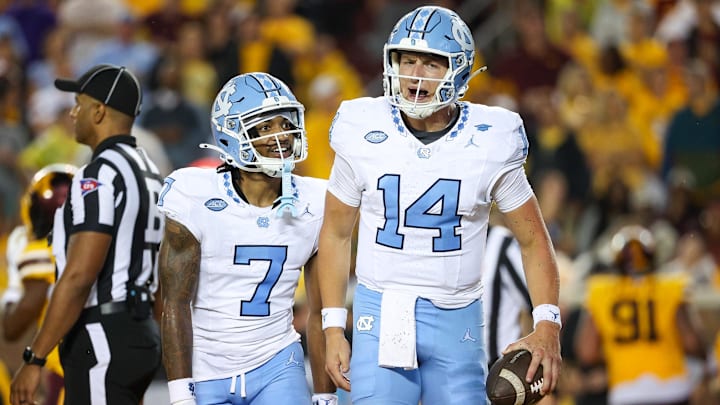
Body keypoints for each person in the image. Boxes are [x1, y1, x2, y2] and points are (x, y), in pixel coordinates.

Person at [315, 5, 562, 404]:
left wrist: (548, 323)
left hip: (457, 321)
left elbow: (534, 240)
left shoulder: (491, 138)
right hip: (379, 311)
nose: (415, 75)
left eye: (431, 64)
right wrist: (332, 329)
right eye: (407, 60)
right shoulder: (361, 128)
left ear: (459, 71)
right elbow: (336, 232)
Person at [157, 72, 336, 405]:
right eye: (264, 127)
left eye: (285, 124)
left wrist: (326, 396)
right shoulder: (195, 195)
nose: (280, 136)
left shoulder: (316, 200)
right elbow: (175, 304)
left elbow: (319, 310)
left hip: (278, 362)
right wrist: (181, 395)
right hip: (206, 367)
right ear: (230, 135)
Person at [10, 64, 164, 405]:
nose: (72, 112)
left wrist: (35, 357)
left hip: (103, 331)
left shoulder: (100, 173)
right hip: (140, 329)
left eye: (79, 103)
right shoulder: (150, 170)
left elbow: (80, 275)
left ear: (99, 111)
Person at [575, 225, 707, 405]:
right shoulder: (669, 288)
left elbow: (587, 352)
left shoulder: (602, 293)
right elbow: (691, 341)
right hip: (672, 387)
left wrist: (618, 348)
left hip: (627, 391)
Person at [3, 163, 76, 405]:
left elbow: (14, 326)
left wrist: (13, 291)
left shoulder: (40, 250)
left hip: (60, 361)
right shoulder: (94, 247)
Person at [481, 223, 532, 366]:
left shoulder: (501, 245)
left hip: (496, 369)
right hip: (450, 369)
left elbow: (538, 302)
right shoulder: (439, 246)